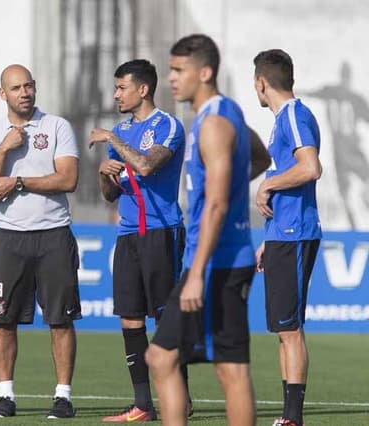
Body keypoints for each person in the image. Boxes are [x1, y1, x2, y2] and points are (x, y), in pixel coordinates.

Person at [145, 34, 270, 426]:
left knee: (223, 369)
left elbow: (216, 203)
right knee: (166, 357)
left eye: (179, 70)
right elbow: (259, 157)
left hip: (216, 263)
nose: (171, 79)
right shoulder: (227, 112)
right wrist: (234, 187)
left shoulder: (214, 122)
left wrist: (196, 273)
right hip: (219, 259)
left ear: (205, 71)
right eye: (170, 70)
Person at [0, 64, 81, 419]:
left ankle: (63, 396)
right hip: (9, 237)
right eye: (16, 88)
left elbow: (68, 179)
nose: (25, 93)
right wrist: (3, 150)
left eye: (29, 86)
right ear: (2, 94)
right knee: (2, 321)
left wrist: (18, 181)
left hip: (53, 234)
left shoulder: (56, 126)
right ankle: (6, 397)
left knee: (60, 320)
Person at [88, 59, 192, 422]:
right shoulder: (119, 130)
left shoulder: (168, 125)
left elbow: (147, 166)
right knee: (130, 319)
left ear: (143, 89)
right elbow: (110, 195)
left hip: (161, 231)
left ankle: (182, 400)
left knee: (164, 319)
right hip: (128, 234)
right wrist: (104, 173)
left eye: (121, 87)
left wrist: (112, 140)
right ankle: (142, 404)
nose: (116, 94)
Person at [253, 49, 322, 426]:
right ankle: (287, 416)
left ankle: (293, 418)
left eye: (256, 84)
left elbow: (311, 167)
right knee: (283, 328)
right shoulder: (284, 120)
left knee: (291, 329)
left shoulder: (294, 115)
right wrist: (269, 236)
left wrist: (267, 185)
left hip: (295, 234)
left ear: (262, 83)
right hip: (283, 233)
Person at [304, 61, 368, 229]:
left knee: (346, 191)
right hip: (351, 148)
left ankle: (354, 223)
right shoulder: (354, 98)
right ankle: (355, 222)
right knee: (353, 186)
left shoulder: (331, 91)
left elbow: (312, 93)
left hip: (340, 150)